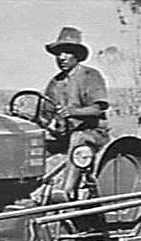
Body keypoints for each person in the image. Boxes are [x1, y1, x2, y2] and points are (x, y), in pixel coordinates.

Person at [44, 26, 110, 198]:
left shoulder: (90, 76)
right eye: (59, 53)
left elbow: (98, 108)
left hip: (92, 133)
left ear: (77, 55)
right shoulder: (55, 82)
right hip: (64, 135)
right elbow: (46, 114)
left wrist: (72, 112)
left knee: (78, 138)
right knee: (36, 145)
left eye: (67, 52)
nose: (62, 57)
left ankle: (65, 192)